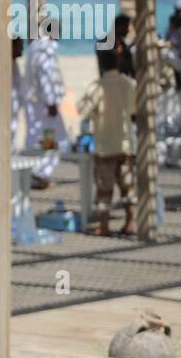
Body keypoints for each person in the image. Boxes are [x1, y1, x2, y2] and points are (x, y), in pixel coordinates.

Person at [77, 47, 137, 236]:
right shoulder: (129, 83)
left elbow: (83, 111)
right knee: (127, 185)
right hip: (125, 143)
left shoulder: (96, 86)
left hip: (104, 146)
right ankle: (130, 222)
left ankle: (104, 226)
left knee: (104, 188)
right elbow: (135, 109)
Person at [23, 20, 68, 188]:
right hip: (43, 104)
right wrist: (51, 103)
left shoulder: (35, 46)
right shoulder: (46, 49)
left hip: (35, 102)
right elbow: (46, 76)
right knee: (57, 139)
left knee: (37, 138)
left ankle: (35, 172)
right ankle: (40, 172)